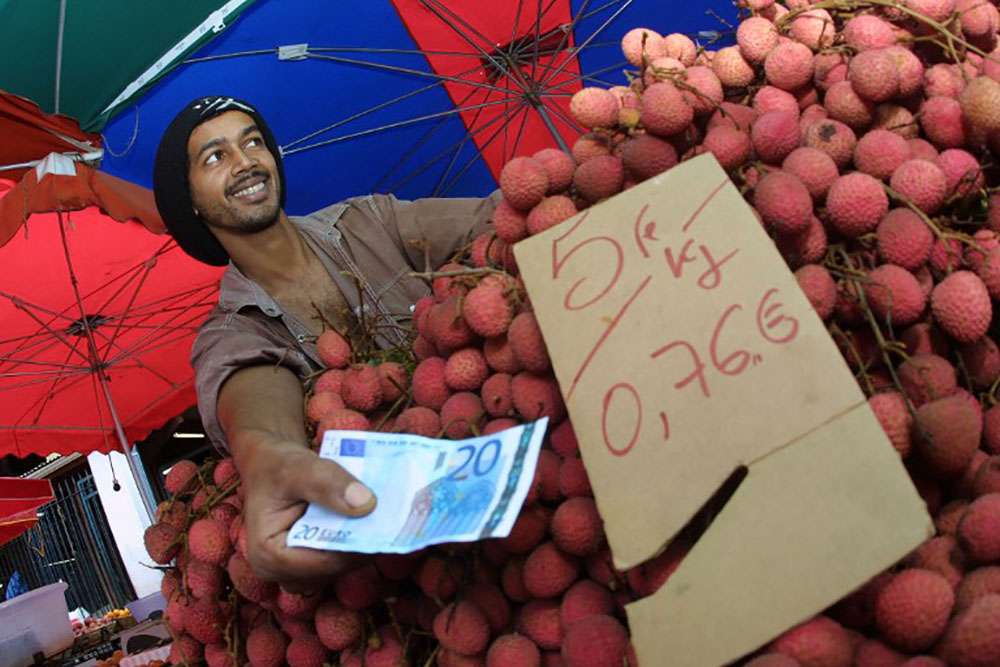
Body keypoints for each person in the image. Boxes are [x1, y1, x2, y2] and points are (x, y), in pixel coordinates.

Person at [152, 96, 499, 588]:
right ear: (190, 200)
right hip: (401, 564)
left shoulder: (368, 223)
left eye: (252, 142)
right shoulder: (233, 332)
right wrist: (267, 451)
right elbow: (248, 387)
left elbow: (494, 218)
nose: (245, 161)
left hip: (491, 451)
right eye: (216, 156)